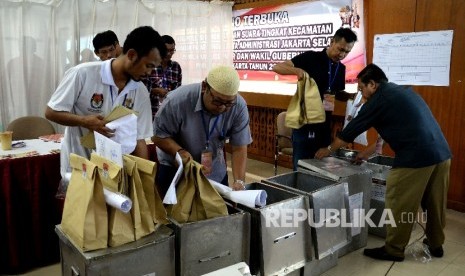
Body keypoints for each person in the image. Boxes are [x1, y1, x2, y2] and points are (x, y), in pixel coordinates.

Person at [315, 64, 452, 262]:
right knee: (435, 203)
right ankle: (436, 244)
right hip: (441, 154)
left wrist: (327, 150)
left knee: (398, 199)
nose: (361, 94)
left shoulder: (379, 100)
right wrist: (365, 153)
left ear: (373, 84)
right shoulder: (401, 91)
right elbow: (390, 133)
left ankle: (394, 250)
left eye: (361, 89)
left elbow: (349, 132)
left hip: (416, 158)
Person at [46, 26, 167, 180]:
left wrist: (144, 178)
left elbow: (139, 138)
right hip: (81, 165)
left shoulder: (140, 90)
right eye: (148, 66)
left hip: (115, 171)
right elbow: (51, 112)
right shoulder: (83, 74)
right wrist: (84, 121)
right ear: (131, 54)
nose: (149, 73)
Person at [152, 65, 252, 196]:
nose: (222, 108)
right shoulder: (177, 101)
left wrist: (239, 181)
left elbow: (239, 147)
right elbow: (158, 136)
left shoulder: (239, 106)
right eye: (217, 101)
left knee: (218, 211)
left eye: (228, 104)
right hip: (176, 169)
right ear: (205, 87)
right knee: (174, 213)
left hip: (215, 171)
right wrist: (179, 152)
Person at [272, 27, 357, 169]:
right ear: (331, 42)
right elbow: (277, 67)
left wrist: (351, 96)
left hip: (324, 125)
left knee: (320, 165)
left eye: (347, 52)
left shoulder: (340, 69)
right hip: (305, 123)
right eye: (340, 49)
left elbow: (336, 93)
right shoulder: (311, 57)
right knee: (301, 164)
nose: (342, 54)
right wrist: (296, 70)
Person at [142, 35, 182, 120]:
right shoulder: (149, 65)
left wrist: (171, 94)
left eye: (172, 51)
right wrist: (154, 91)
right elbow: (141, 91)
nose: (169, 54)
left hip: (169, 115)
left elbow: (178, 92)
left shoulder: (176, 67)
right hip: (150, 114)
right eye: (166, 50)